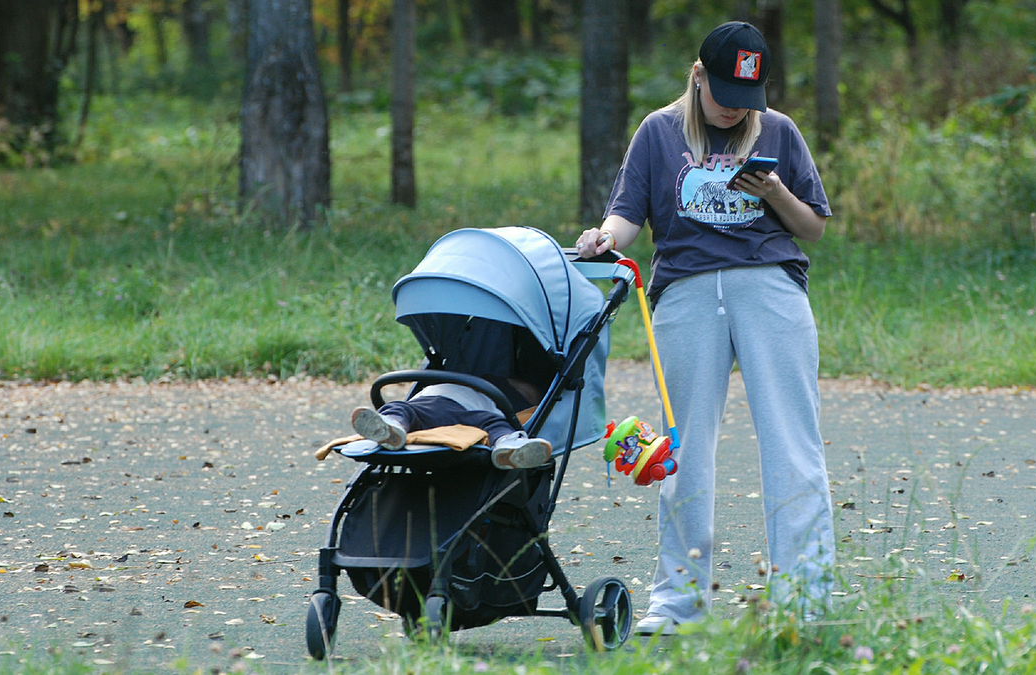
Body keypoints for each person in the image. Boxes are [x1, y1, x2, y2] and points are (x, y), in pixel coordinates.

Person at [576, 21, 835, 635]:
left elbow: (814, 227)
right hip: (687, 293)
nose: (734, 111)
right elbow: (626, 214)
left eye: (747, 99)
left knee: (793, 445)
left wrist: (773, 191)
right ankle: (679, 604)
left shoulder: (778, 130)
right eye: (724, 95)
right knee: (683, 449)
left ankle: (806, 598)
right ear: (697, 76)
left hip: (770, 286)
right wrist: (603, 239)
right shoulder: (657, 132)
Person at [350, 377, 552, 470]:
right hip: (466, 411)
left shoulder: (463, 380)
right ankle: (508, 442)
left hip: (434, 405)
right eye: (524, 394)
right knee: (496, 425)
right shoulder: (493, 389)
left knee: (401, 409)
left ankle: (392, 425)